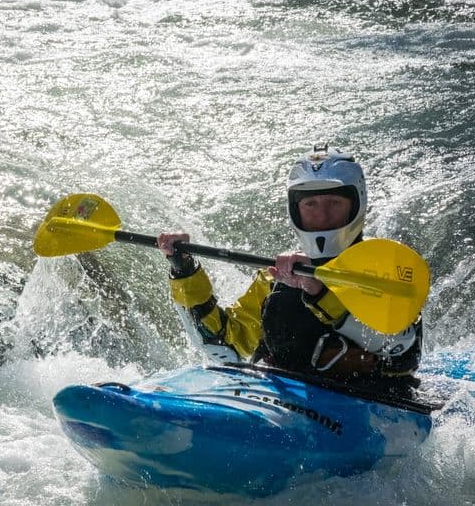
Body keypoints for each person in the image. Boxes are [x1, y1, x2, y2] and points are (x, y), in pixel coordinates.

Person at [158, 144, 422, 392]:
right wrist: (184, 270)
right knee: (284, 298)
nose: (322, 216)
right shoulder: (277, 278)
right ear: (296, 210)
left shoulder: (386, 269)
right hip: (286, 404)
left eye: (334, 203)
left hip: (375, 401)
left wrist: (319, 293)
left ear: (356, 205)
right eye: (310, 205)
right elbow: (224, 350)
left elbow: (398, 347)